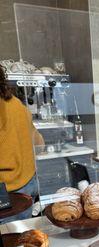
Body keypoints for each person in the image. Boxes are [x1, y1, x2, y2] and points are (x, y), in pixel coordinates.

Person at [0, 64, 44, 221]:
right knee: (22, 240)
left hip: (7, 194)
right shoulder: (16, 104)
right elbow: (39, 145)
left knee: (10, 243)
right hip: (27, 184)